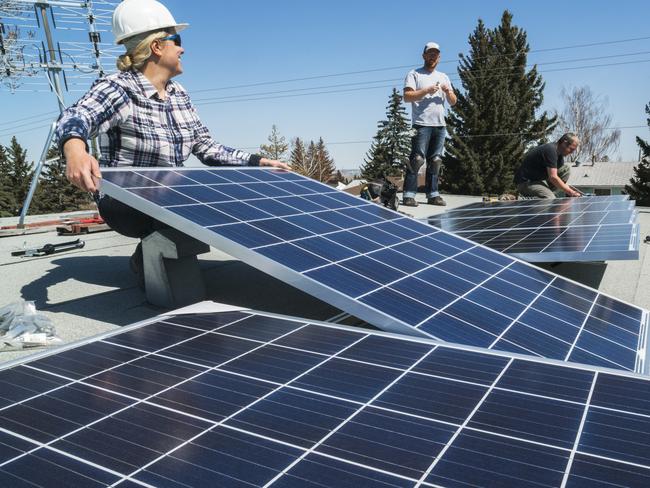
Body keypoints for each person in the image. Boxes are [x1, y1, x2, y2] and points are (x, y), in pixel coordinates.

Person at [55, 0, 289, 285]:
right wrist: (75, 149)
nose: (182, 49)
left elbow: (206, 146)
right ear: (157, 46)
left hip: (169, 196)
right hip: (124, 203)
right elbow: (76, 115)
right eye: (176, 41)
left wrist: (257, 162)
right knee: (189, 197)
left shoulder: (179, 94)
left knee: (217, 193)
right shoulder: (119, 89)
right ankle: (152, 266)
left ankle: (152, 257)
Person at [402, 42, 457, 207]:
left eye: (436, 54)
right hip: (421, 124)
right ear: (424, 55)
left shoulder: (444, 77)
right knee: (417, 159)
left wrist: (448, 92)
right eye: (430, 53)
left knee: (436, 160)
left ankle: (433, 194)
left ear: (439, 58)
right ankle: (409, 194)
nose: (433, 56)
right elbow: (407, 96)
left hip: (440, 125)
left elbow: (453, 102)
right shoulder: (415, 74)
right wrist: (426, 90)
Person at [514, 133, 581, 199]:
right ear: (564, 143)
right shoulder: (550, 150)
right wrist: (570, 192)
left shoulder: (560, 157)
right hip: (526, 183)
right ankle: (519, 198)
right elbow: (553, 177)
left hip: (540, 181)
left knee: (565, 169)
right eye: (571, 149)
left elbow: (558, 179)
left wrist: (571, 191)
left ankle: (547, 193)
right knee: (550, 199)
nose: (571, 152)